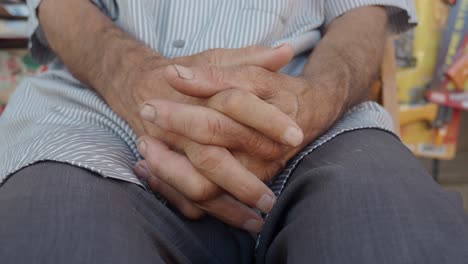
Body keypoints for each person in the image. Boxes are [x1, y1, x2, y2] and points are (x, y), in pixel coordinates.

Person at [0, 0, 467, 263]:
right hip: (96, 112)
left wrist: (310, 103)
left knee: (402, 238)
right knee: (51, 239)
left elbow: (364, 12)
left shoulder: (311, 110)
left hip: (311, 117)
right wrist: (138, 82)